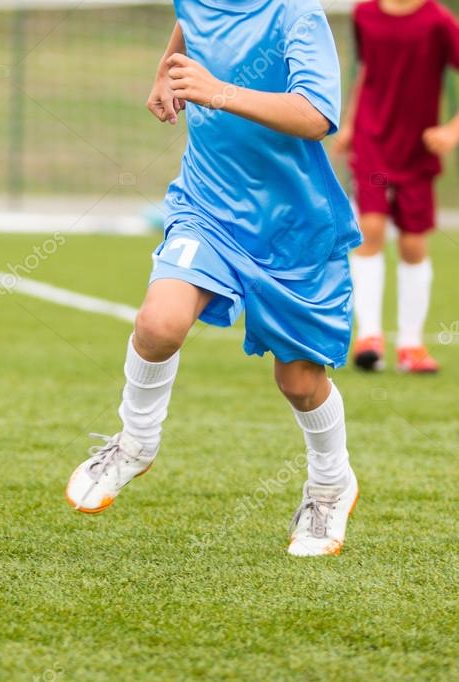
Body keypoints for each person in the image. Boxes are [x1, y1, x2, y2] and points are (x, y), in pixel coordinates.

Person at [66, 0, 362, 557]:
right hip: (208, 207)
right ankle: (135, 442)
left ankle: (330, 485)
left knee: (299, 382)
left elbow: (318, 114)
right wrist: (167, 66)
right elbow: (190, 22)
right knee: (159, 322)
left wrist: (217, 90)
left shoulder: (298, 15)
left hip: (294, 228)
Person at [336, 0, 459, 373]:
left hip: (417, 146)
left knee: (412, 242)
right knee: (370, 228)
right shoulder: (364, 14)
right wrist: (352, 125)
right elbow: (367, 71)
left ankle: (411, 345)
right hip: (372, 140)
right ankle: (369, 336)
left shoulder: (438, 21)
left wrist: (451, 131)